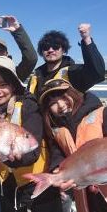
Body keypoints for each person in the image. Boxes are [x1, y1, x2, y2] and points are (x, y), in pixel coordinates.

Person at [0, 55, 64, 212]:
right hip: (7, 183)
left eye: (3, 84)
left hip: (38, 180)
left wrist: (11, 158)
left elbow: (33, 151)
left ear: (13, 86)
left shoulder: (29, 105)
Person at [39, 78, 107, 212]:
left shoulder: (101, 113)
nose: (60, 104)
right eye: (53, 103)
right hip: (81, 187)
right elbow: (57, 155)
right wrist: (56, 171)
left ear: (73, 93)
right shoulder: (55, 130)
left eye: (63, 97)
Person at [28, 23, 105, 99]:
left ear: (64, 50)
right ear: (41, 51)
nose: (50, 50)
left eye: (55, 46)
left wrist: (87, 39)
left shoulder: (74, 73)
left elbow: (97, 72)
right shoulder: (36, 75)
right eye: (46, 47)